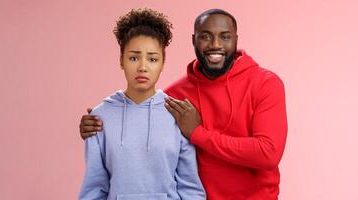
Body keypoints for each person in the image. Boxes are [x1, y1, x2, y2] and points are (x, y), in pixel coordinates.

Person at [80, 8, 287, 200]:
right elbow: (139, 115)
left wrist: (198, 133)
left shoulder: (265, 83)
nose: (215, 45)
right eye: (205, 36)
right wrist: (98, 121)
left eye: (224, 37)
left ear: (236, 39)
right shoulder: (176, 98)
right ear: (194, 40)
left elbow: (268, 153)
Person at [78, 8, 205, 200]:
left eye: (152, 59)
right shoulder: (100, 117)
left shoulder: (177, 114)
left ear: (162, 63)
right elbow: (94, 189)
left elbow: (191, 189)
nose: (143, 67)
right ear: (121, 60)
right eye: (133, 57)